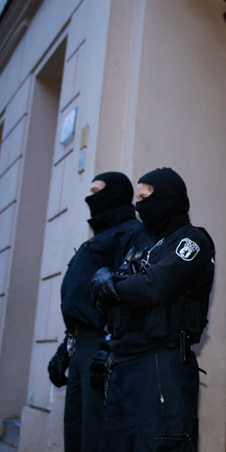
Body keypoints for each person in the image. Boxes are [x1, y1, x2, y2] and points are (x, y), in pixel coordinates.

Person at [90, 167, 215, 452]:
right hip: (124, 364)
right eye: (137, 199)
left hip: (160, 365)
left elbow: (155, 286)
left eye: (145, 198)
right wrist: (114, 288)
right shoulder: (145, 248)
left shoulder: (192, 241)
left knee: (157, 443)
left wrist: (114, 286)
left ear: (169, 198)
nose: (139, 206)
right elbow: (105, 296)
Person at [47, 172, 151, 452]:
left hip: (104, 345)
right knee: (75, 427)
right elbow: (81, 298)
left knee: (97, 429)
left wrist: (109, 345)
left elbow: (135, 293)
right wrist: (65, 348)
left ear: (114, 194)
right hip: (80, 344)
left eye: (96, 191)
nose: (89, 197)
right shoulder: (98, 238)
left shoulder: (133, 233)